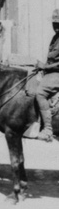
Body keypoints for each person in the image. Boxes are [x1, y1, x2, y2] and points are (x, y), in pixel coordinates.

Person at [33, 9, 59, 141]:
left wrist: (45, 67)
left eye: (58, 24)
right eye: (54, 24)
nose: (56, 27)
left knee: (40, 92)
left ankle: (48, 129)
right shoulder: (55, 38)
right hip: (52, 72)